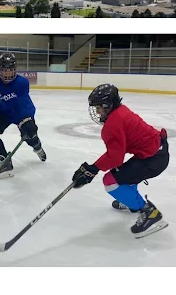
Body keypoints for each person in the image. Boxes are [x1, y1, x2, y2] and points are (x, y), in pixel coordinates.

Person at [72, 84, 169, 238]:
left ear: (108, 106)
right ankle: (131, 201)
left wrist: (93, 169)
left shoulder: (113, 124)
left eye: (99, 107)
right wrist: (94, 167)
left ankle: (149, 212)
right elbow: (117, 158)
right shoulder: (120, 112)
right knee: (125, 173)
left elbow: (115, 157)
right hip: (157, 153)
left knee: (110, 181)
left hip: (153, 159)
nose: (97, 112)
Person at [0, 52, 46, 177]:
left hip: (20, 112)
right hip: (5, 112)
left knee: (30, 134)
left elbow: (23, 103)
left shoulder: (22, 83)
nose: (8, 73)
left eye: (10, 70)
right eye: (4, 70)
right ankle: (5, 161)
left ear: (15, 69)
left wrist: (27, 121)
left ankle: (37, 147)